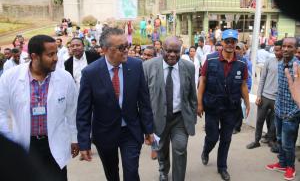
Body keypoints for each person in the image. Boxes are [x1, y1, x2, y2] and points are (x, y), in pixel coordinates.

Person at [76, 27, 154, 181]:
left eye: (127, 46)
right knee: (112, 174)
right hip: (104, 133)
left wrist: (149, 129)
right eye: (121, 48)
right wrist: (84, 142)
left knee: (131, 173)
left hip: (130, 131)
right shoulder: (90, 73)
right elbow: (83, 111)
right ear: (104, 49)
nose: (126, 51)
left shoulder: (136, 66)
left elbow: (144, 101)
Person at [0, 35, 79, 181]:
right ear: (34, 56)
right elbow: (1, 111)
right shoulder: (10, 77)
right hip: (26, 144)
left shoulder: (65, 78)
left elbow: (72, 111)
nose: (56, 58)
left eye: (56, 53)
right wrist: (7, 142)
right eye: (50, 54)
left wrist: (75, 137)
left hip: (54, 142)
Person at [198, 29, 250, 181]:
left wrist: (247, 104)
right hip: (212, 106)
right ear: (222, 43)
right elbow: (203, 81)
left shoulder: (241, 62)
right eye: (227, 41)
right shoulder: (211, 59)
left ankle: (222, 167)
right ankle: (206, 151)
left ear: (236, 44)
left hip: (231, 108)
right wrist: (199, 103)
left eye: (233, 42)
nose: (230, 44)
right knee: (213, 137)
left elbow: (243, 85)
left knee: (226, 139)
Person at [143, 36, 197, 181]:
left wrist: (192, 116)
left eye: (176, 51)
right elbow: (144, 98)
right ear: (161, 50)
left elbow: (192, 95)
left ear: (181, 51)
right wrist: (145, 124)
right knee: (161, 148)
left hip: (180, 118)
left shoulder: (189, 67)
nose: (172, 54)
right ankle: (163, 170)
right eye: (168, 51)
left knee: (180, 149)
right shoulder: (148, 66)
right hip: (157, 117)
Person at [266, 37, 300, 181]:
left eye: (290, 47)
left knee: (288, 144)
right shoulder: (280, 64)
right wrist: (277, 106)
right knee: (279, 139)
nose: (286, 49)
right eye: (284, 46)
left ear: (296, 49)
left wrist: (292, 113)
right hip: (279, 110)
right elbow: (280, 88)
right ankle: (282, 163)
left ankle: (290, 167)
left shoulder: (297, 67)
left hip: (291, 114)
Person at [246, 40, 282, 150]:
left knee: (274, 122)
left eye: (279, 50)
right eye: (275, 50)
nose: (277, 52)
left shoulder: (287, 64)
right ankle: (256, 141)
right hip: (265, 97)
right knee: (260, 120)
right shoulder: (269, 61)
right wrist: (259, 95)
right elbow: (262, 79)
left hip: (277, 99)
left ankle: (271, 140)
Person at [233, 42, 253, 134]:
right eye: (235, 48)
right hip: (233, 88)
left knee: (239, 107)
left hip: (242, 88)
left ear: (243, 50)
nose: (236, 50)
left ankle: (237, 127)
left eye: (238, 48)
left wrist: (247, 89)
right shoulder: (233, 60)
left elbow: (248, 77)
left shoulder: (246, 62)